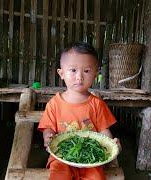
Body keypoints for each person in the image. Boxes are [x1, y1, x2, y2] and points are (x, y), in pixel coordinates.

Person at [38, 41, 121, 180]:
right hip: (62, 156)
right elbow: (48, 128)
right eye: (73, 70)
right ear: (61, 73)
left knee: (96, 177)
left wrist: (112, 144)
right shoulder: (54, 104)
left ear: (95, 74)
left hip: (91, 159)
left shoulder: (97, 104)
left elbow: (104, 132)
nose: (79, 77)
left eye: (87, 71)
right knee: (58, 175)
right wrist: (48, 137)